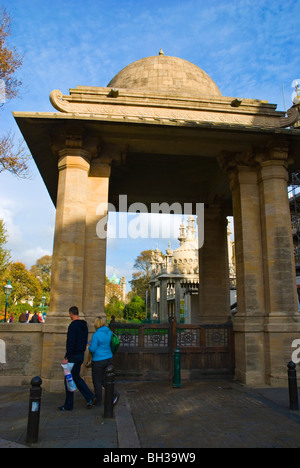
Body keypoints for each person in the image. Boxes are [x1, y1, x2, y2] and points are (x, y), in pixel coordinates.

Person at [59, 306, 95, 411]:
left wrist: (67, 357)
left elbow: (70, 343)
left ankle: (69, 405)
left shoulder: (73, 326)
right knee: (75, 377)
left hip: (73, 356)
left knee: (68, 378)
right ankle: (89, 396)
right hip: (80, 355)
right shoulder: (84, 325)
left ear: (71, 314)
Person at [88, 316, 119, 407]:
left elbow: (93, 349)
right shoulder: (109, 332)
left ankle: (98, 401)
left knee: (97, 381)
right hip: (109, 358)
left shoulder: (96, 334)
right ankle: (114, 393)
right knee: (106, 379)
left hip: (98, 360)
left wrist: (89, 346)